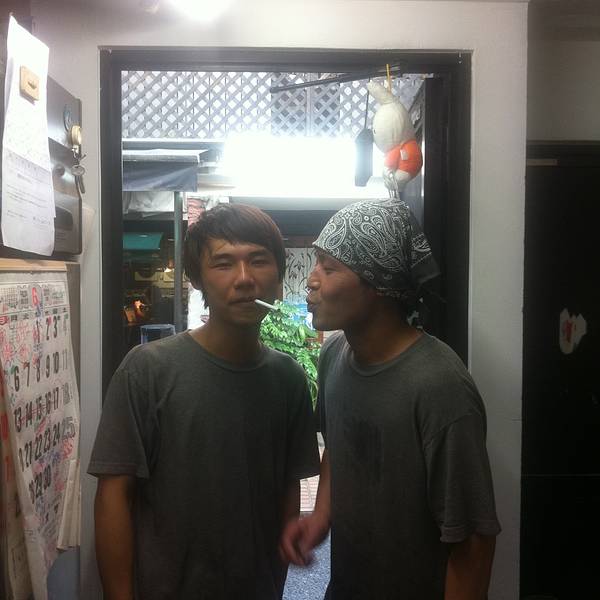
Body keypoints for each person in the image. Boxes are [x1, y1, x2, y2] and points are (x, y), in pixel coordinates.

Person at [89, 203, 320, 600]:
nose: (244, 279)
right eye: (224, 264)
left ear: (279, 277)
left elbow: (288, 488)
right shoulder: (147, 370)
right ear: (197, 279)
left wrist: (275, 581)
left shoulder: (289, 379)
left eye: (259, 261)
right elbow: (114, 494)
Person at [280, 198, 501, 600]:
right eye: (315, 263)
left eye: (329, 267)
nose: (311, 280)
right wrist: (322, 516)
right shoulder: (333, 355)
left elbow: (473, 541)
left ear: (378, 285)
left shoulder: (440, 386)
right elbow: (337, 447)